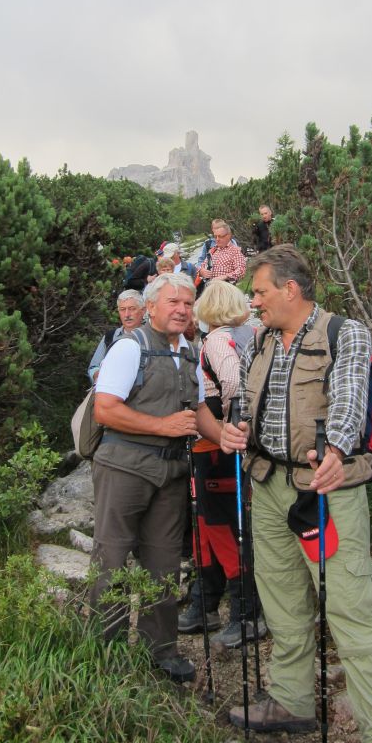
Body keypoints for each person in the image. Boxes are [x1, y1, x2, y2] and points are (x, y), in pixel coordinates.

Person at [220, 245, 372, 743]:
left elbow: (348, 400)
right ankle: (292, 701)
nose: (253, 302)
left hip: (326, 494)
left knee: (348, 607)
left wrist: (337, 450)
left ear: (290, 289)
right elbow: (250, 403)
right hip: (268, 485)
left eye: (259, 292)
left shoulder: (343, 333)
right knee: (281, 603)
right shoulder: (260, 339)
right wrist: (238, 429)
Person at [90, 273, 221, 684]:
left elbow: (199, 412)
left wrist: (227, 438)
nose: (182, 309)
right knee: (111, 557)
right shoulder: (131, 348)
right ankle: (102, 649)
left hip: (172, 472)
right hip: (124, 467)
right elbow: (106, 409)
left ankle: (159, 649)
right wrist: (163, 427)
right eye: (173, 302)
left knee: (164, 562)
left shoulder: (189, 351)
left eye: (187, 303)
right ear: (151, 307)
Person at [178, 281, 266, 646]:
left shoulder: (216, 339)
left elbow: (232, 384)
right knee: (211, 525)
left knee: (219, 526)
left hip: (216, 448)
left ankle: (246, 611)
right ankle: (206, 601)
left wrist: (230, 429)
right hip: (231, 447)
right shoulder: (255, 332)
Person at [87, 291, 145, 384]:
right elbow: (93, 367)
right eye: (122, 309)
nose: (127, 314)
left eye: (132, 309)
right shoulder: (110, 337)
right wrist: (97, 375)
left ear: (143, 311)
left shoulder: (152, 337)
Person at [197, 221, 246, 286]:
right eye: (215, 236)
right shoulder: (212, 250)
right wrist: (201, 271)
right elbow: (202, 265)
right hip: (210, 288)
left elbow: (241, 270)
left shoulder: (235, 251)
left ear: (228, 236)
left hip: (226, 288)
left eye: (220, 236)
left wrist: (225, 276)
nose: (217, 239)